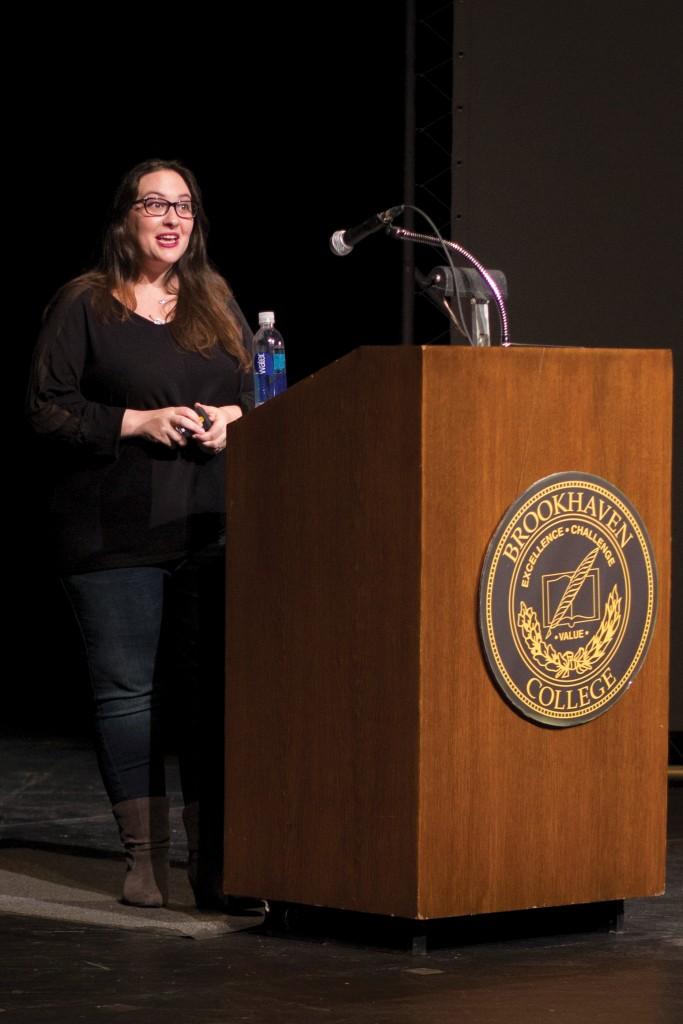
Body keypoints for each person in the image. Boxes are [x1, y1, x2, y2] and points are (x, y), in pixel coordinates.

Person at [27, 158, 254, 909]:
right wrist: (137, 421)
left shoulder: (214, 301)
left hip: (207, 528)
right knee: (129, 696)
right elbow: (46, 409)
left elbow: (257, 392)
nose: (171, 218)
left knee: (213, 700)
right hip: (111, 531)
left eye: (183, 206)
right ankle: (145, 863)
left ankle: (216, 868)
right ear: (125, 217)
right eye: (154, 204)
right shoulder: (86, 304)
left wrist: (235, 420)